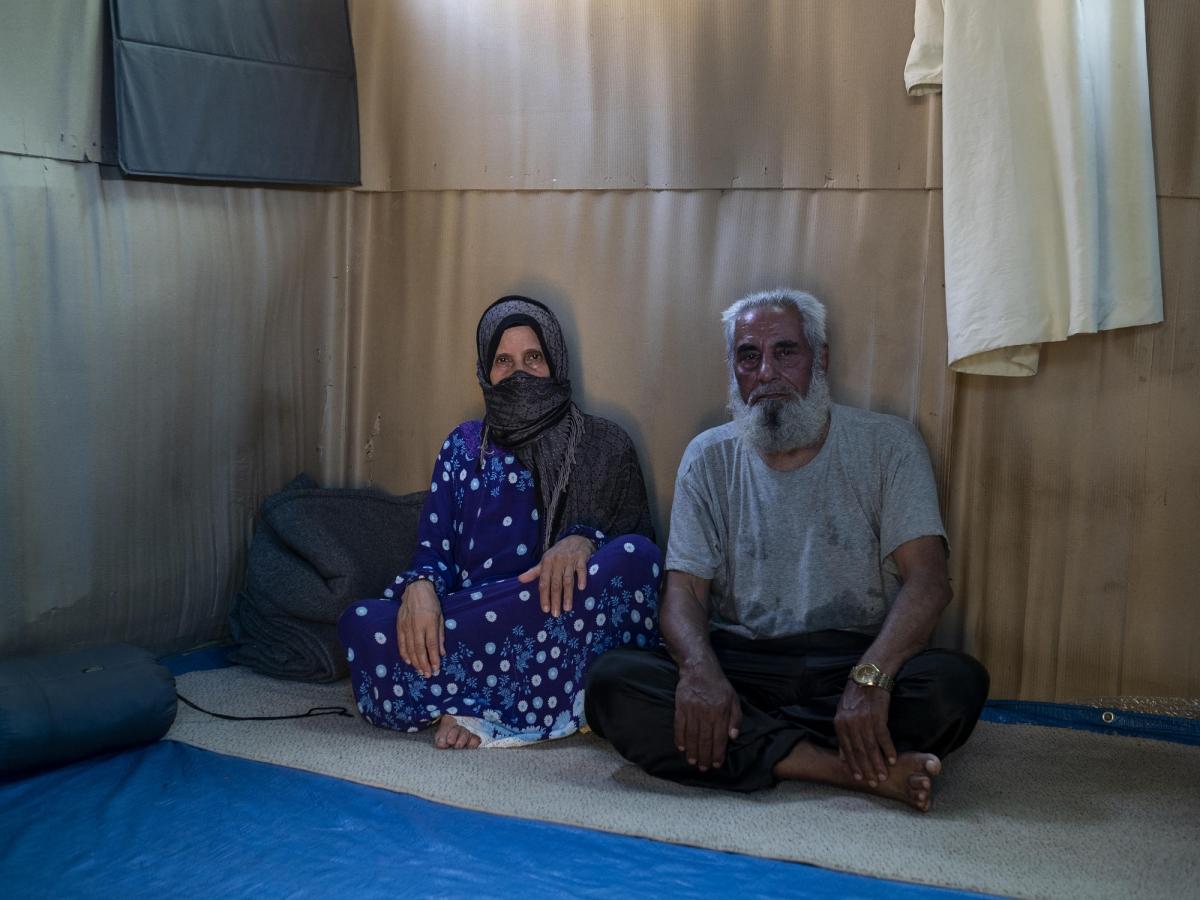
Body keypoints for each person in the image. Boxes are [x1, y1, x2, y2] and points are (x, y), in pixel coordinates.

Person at [585, 288, 988, 811]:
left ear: (819, 359)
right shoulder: (708, 457)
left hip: (852, 659)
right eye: (748, 356)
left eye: (785, 352)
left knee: (954, 687)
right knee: (612, 685)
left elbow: (929, 582)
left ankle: (760, 747)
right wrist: (700, 673)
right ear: (734, 369)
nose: (767, 372)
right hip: (742, 668)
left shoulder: (887, 445)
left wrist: (871, 679)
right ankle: (844, 768)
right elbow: (683, 591)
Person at [338, 296, 661, 748]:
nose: (519, 374)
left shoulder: (606, 445)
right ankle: (507, 700)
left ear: (556, 360)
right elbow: (433, 550)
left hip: (565, 625)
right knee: (362, 623)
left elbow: (639, 568)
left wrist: (584, 541)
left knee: (637, 558)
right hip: (480, 623)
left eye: (533, 357)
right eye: (503, 362)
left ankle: (471, 704)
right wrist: (421, 586)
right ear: (484, 373)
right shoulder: (464, 447)